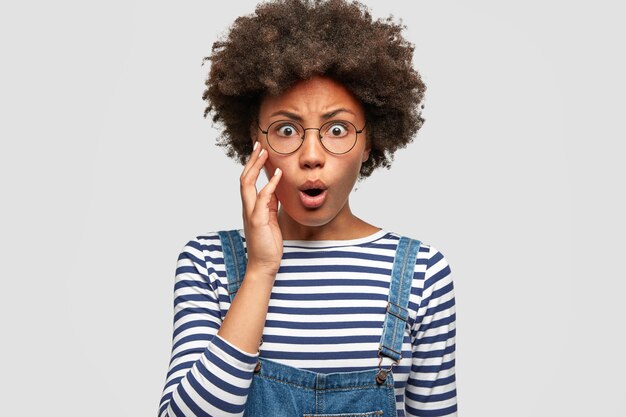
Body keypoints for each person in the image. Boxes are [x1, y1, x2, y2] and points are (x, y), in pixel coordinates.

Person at [158, 0, 457, 416]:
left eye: (337, 129)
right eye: (286, 129)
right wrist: (260, 269)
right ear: (255, 141)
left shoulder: (423, 271)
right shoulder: (206, 263)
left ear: (369, 139)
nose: (311, 156)